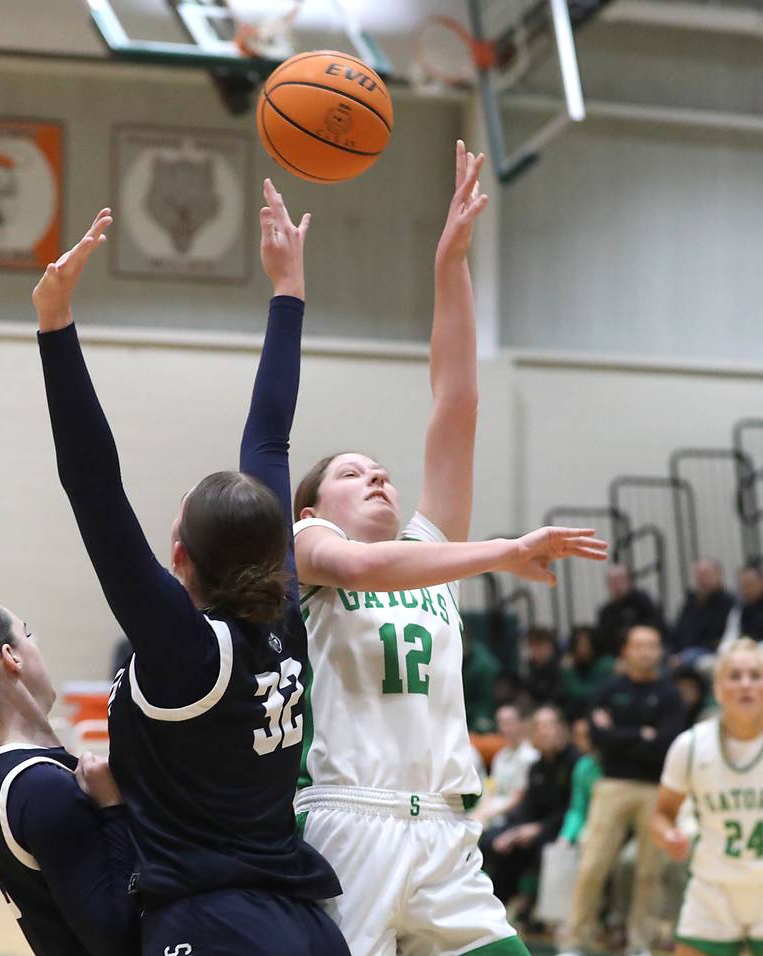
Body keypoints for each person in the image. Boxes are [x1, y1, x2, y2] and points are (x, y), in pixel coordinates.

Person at [292, 141, 607, 956]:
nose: (378, 476)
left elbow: (457, 399)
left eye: (383, 471)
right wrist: (501, 551)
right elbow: (363, 568)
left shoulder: (431, 549)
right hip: (347, 823)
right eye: (354, 472)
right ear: (313, 502)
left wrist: (451, 261)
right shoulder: (307, 549)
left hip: (444, 832)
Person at [33, 191, 349, 955]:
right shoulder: (280, 621)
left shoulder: (187, 651)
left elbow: (94, 484)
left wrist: (55, 323)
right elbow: (269, 440)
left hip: (214, 924)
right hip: (307, 924)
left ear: (180, 559)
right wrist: (287, 290)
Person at [0, 598, 137, 956]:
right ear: (12, 657)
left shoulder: (1, 772)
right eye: (28, 634)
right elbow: (115, 939)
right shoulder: (42, 787)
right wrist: (114, 809)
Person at [557, 625, 686, 956]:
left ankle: (640, 943)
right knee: (592, 865)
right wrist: (641, 735)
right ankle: (575, 940)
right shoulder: (607, 689)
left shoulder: (670, 695)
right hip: (611, 783)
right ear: (625, 651)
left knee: (649, 871)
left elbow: (666, 744)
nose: (645, 652)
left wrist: (619, 734)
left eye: (652, 645)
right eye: (639, 645)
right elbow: (598, 738)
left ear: (660, 652)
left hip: (656, 788)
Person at [652, 638, 763, 956]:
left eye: (755, 676)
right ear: (717, 688)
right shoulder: (690, 746)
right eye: (735, 676)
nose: (746, 684)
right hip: (713, 890)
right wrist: (668, 835)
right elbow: (662, 814)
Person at [481, 707, 579, 914]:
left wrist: (537, 828)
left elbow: (572, 808)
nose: (544, 732)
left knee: (537, 846)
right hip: (535, 827)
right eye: (539, 727)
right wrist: (514, 831)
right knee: (497, 841)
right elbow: (528, 807)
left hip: (563, 828)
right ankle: (496, 909)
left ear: (561, 728)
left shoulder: (574, 762)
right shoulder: (537, 766)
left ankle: (535, 910)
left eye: (549, 725)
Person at [469, 704, 538, 829]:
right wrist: (481, 811)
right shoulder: (501, 755)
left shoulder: (529, 756)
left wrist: (488, 815)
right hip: (493, 806)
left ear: (521, 723)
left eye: (509, 723)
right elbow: (492, 790)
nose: (505, 728)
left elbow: (519, 797)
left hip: (512, 813)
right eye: (501, 723)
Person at [670, 559, 734, 666]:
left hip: (710, 651)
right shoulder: (690, 602)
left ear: (718, 575)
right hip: (684, 650)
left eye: (705, 574)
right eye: (698, 575)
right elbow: (677, 631)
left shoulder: (727, 602)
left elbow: (719, 637)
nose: (701, 579)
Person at [594, 564, 660, 658]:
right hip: (616, 657)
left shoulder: (643, 602)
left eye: (620, 579)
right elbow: (602, 642)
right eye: (613, 581)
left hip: (645, 652)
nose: (617, 584)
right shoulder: (605, 612)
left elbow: (655, 629)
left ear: (630, 581)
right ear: (608, 585)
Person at [559, 626, 614, 721]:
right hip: (575, 712)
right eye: (578, 644)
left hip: (600, 709)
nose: (582, 648)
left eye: (585, 644)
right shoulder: (568, 665)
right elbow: (570, 692)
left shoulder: (606, 664)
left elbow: (599, 692)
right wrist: (568, 672)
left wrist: (569, 673)